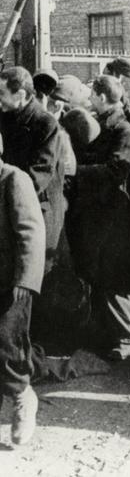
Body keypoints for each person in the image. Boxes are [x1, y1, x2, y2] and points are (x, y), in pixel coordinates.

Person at [66, 76, 130, 359]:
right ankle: (104, 336)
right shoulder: (99, 124)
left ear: (101, 96)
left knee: (113, 277)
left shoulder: (123, 130)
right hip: (92, 213)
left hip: (113, 215)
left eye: (93, 94)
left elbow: (118, 169)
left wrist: (78, 172)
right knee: (94, 275)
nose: (90, 99)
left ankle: (128, 338)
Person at [0, 132, 45, 445]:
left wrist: (26, 280)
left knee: (8, 345)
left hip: (11, 284)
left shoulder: (13, 180)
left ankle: (22, 398)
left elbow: (31, 231)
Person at [0, 67, 66, 276]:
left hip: (35, 213)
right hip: (8, 208)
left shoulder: (45, 124)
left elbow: (38, 176)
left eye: (2, 94)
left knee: (30, 277)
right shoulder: (6, 116)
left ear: (20, 95)